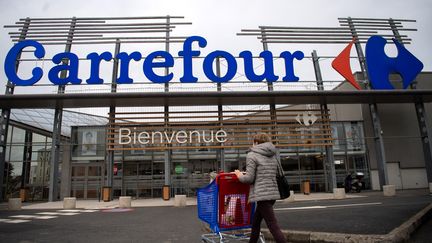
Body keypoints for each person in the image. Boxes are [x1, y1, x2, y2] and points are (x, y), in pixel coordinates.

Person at [234, 133, 286, 243]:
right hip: (272, 194)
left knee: (273, 225)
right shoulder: (273, 154)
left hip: (262, 195)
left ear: (256, 143)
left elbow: (249, 179)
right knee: (256, 222)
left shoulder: (252, 155)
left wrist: (239, 175)